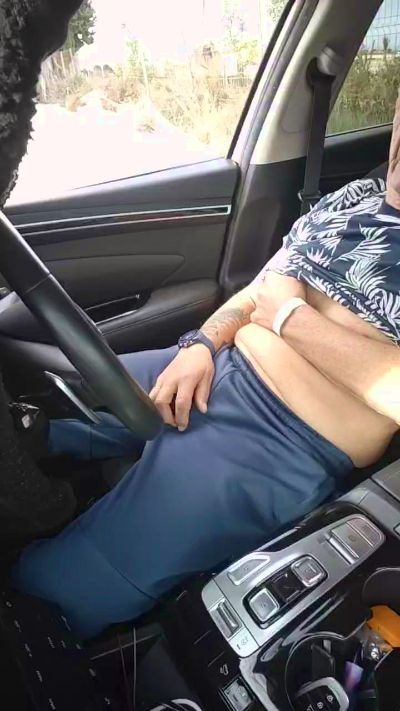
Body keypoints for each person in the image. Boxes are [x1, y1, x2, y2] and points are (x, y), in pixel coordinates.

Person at [12, 100, 400, 640]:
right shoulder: (355, 197)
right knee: (34, 406)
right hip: (218, 364)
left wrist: (290, 316)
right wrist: (199, 345)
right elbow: (258, 290)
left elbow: (282, 306)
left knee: (56, 590)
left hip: (282, 443)